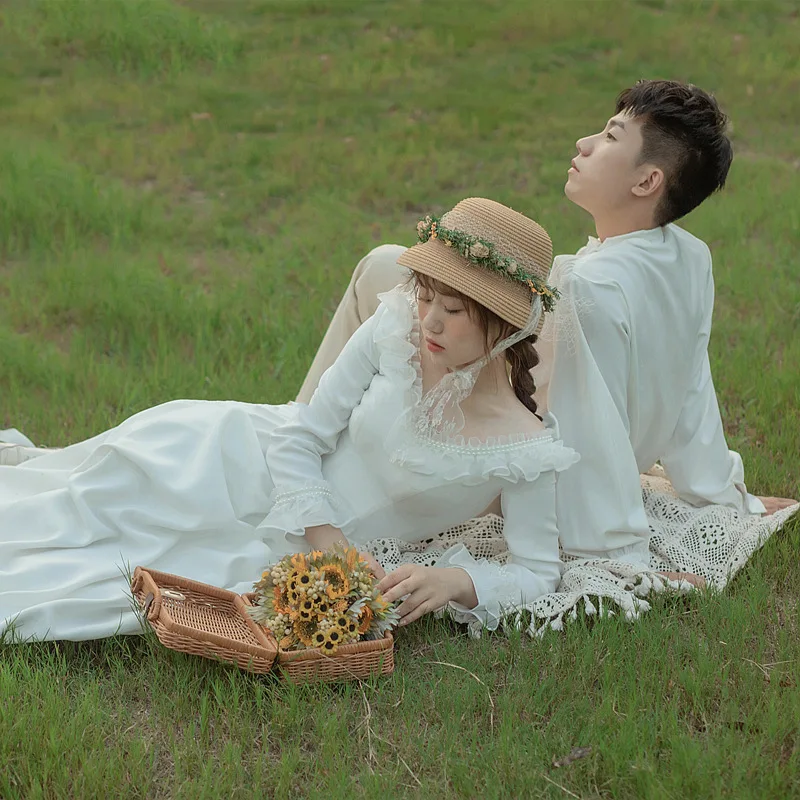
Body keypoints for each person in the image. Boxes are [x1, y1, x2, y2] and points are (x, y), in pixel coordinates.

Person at [0, 198, 579, 642]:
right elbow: (301, 433)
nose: (428, 321)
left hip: (296, 552)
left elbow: (537, 572)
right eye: (425, 297)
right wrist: (331, 544)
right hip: (245, 459)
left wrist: (457, 582)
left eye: (452, 310)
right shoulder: (395, 330)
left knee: (114, 579)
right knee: (91, 503)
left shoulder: (526, 448)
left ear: (505, 326)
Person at [294, 79, 796, 573]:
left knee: (383, 271)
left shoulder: (589, 288)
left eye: (610, 137)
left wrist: (613, 548)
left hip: (507, 459)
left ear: (647, 182)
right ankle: (308, 433)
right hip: (535, 430)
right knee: (391, 270)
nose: (584, 143)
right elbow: (692, 387)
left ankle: (304, 439)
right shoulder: (689, 256)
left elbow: (584, 422)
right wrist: (717, 490)